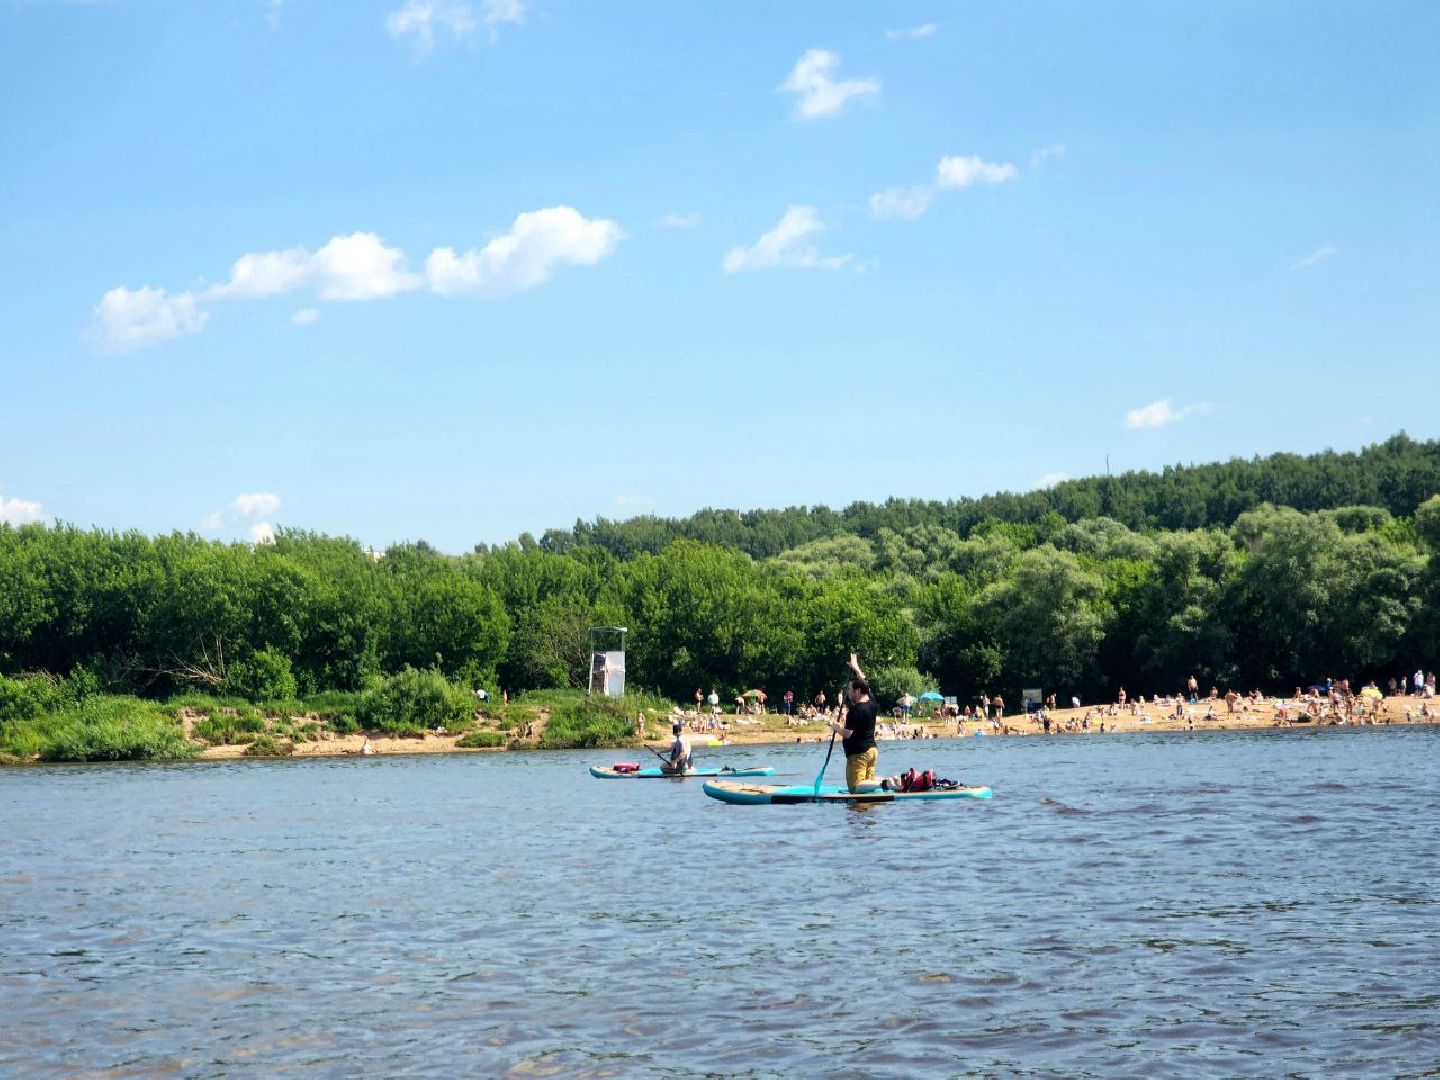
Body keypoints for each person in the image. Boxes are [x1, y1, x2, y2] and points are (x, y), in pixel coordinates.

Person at [826, 653, 878, 793]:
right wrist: (856, 669)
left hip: (858, 754)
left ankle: (884, 783)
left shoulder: (855, 710)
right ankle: (885, 784)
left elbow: (848, 734)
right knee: (866, 788)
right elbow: (866, 684)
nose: (848, 693)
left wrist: (836, 727)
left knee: (856, 788)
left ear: (858, 691)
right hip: (872, 751)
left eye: (850, 690)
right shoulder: (872, 703)